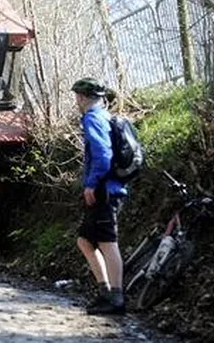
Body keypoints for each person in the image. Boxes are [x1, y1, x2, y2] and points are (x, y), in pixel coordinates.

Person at [71, 77, 128, 315]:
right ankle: (105, 292)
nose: (76, 101)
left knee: (107, 242)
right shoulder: (105, 116)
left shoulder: (93, 118)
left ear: (82, 97)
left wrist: (91, 184)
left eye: (77, 97)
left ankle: (116, 296)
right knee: (85, 241)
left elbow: (103, 155)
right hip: (109, 188)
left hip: (105, 191)